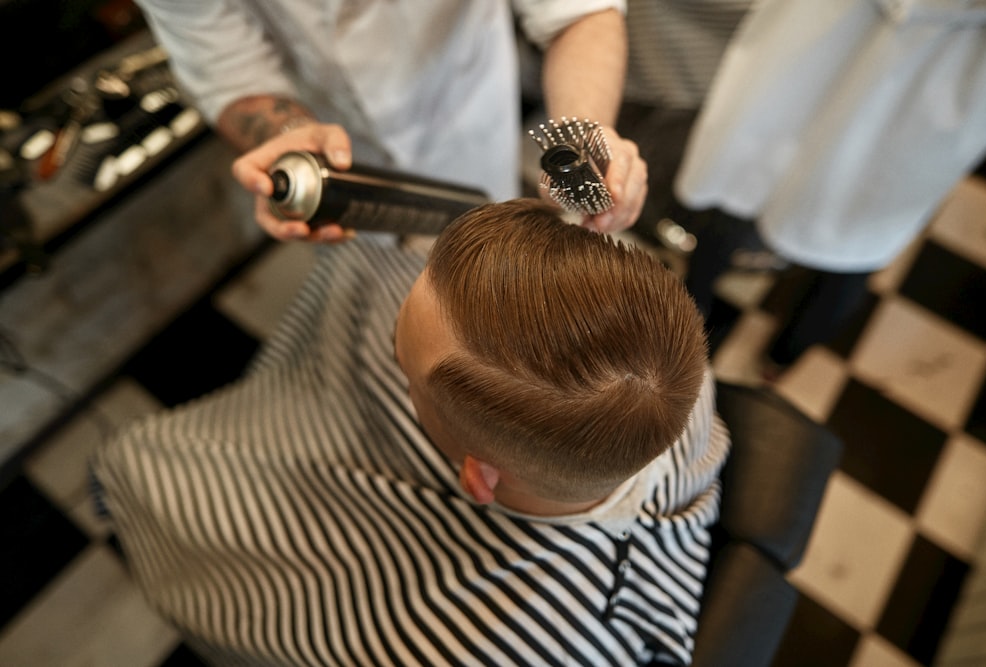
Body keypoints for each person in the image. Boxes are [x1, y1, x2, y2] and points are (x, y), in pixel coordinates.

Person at [91, 198, 731, 666]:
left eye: (405, 369)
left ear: (478, 477)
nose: (394, 353)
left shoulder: (479, 642)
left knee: (143, 466)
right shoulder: (675, 374)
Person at [133, 0, 648, 242]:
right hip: (337, 161)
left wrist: (587, 133)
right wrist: (288, 136)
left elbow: (575, 13)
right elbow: (228, 67)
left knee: (486, 235)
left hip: (462, 107)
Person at [672, 0, 986, 374]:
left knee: (784, 205)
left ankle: (763, 346)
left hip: (929, 55)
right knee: (826, 231)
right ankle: (727, 338)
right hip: (929, 57)